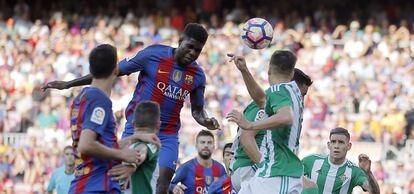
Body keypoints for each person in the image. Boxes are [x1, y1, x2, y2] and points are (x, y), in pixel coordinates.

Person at [43, 23, 219, 194]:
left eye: (198, 50)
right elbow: (108, 71)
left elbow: (197, 109)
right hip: (137, 127)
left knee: (162, 183)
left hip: (167, 135)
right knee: (123, 177)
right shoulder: (153, 55)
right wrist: (68, 84)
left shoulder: (198, 76)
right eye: (190, 47)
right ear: (180, 40)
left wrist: (205, 120)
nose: (192, 53)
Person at [68, 44, 160, 194]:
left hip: (87, 183)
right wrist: (122, 154)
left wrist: (134, 137)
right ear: (116, 70)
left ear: (91, 70)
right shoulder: (99, 99)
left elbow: (100, 144)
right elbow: (86, 145)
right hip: (96, 186)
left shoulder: (82, 97)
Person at [228, 55, 313, 192]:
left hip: (276, 171)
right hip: (269, 170)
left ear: (269, 71)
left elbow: (282, 114)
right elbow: (262, 101)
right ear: (290, 75)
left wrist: (250, 125)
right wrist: (244, 71)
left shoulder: (281, 94)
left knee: (311, 187)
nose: (302, 97)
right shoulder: (288, 94)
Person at [302, 127, 380, 194]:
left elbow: (375, 192)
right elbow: (292, 176)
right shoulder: (311, 161)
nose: (336, 146)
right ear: (329, 145)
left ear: (349, 146)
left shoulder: (354, 171)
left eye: (341, 142)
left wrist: (368, 173)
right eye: (333, 142)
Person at [108, 101, 161, 194]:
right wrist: (133, 164)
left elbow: (110, 148)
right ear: (158, 125)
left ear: (133, 123)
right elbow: (142, 150)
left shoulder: (125, 145)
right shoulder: (152, 144)